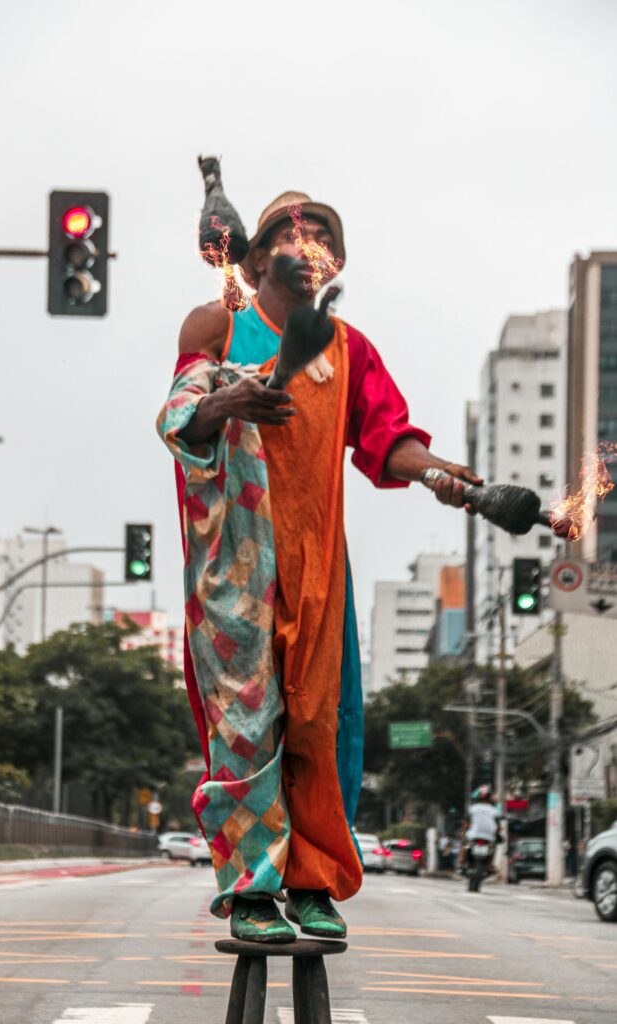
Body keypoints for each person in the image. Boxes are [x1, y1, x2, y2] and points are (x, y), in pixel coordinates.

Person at [157, 190, 482, 943]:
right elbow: (178, 417)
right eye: (298, 237)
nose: (312, 252)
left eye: (326, 243)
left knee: (319, 723)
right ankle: (249, 891)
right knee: (245, 722)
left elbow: (385, 437)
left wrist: (437, 474)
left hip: (315, 563)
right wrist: (226, 400)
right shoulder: (217, 325)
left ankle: (309, 884)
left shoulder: (346, 346)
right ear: (260, 250)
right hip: (234, 561)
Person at [458, 784, 500, 870]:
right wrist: (497, 834)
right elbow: (498, 826)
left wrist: (463, 832)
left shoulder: (472, 808)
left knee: (464, 843)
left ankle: (461, 860)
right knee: (493, 847)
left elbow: (466, 823)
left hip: (473, 835)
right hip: (489, 837)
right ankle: (490, 863)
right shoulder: (494, 810)